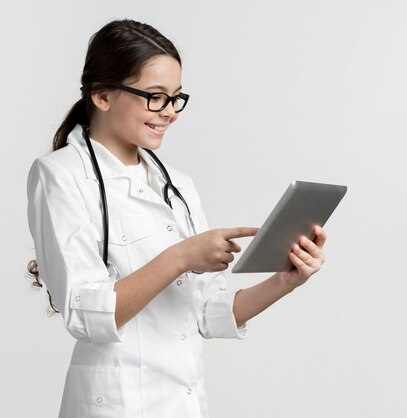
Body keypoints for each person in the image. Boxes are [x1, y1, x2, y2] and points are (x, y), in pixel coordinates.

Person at [26, 19, 327, 418]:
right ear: (101, 95)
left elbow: (205, 313)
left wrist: (286, 280)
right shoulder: (59, 175)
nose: (169, 112)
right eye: (155, 97)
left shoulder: (177, 185)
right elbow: (84, 314)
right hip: (114, 406)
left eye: (175, 98)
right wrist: (181, 257)